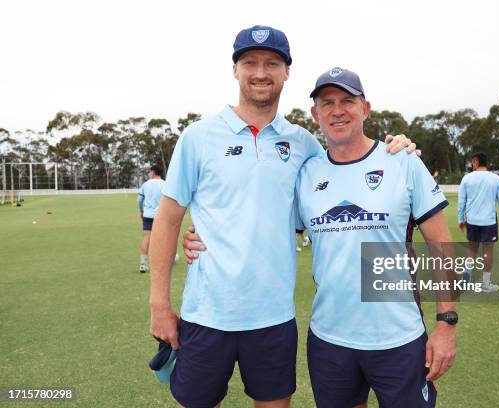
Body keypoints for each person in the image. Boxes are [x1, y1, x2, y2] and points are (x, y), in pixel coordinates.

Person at [148, 26, 415, 408]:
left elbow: (347, 175)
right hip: (207, 314)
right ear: (235, 70)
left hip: (273, 318)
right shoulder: (198, 136)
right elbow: (168, 218)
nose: (261, 72)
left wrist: (398, 146)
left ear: (286, 72)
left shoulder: (304, 144)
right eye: (250, 63)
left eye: (272, 63)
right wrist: (160, 305)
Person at [186, 67, 457, 407]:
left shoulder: (402, 161)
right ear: (315, 114)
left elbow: (442, 248)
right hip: (330, 341)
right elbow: (260, 222)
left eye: (347, 100)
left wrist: (446, 324)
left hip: (398, 339)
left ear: (366, 108)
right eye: (327, 103)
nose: (337, 110)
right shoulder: (308, 172)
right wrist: (201, 234)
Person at [457, 152, 499, 292]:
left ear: (476, 162)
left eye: (472, 162)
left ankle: (466, 276)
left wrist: (460, 219)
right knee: (487, 251)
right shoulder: (495, 178)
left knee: (472, 249)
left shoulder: (466, 178)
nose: (471, 164)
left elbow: (461, 201)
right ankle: (485, 284)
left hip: (472, 220)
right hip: (489, 221)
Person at [137, 165, 165, 273]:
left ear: (153, 172)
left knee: (146, 238)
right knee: (163, 238)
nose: (149, 173)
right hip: (161, 216)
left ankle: (143, 264)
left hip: (148, 215)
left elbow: (139, 200)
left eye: (149, 171)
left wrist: (141, 211)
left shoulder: (145, 184)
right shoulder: (165, 184)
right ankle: (164, 260)